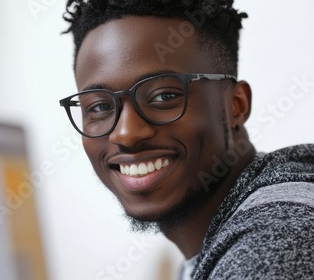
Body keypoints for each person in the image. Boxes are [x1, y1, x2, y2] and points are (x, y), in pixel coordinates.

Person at [58, 1, 314, 279]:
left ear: (235, 105)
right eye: (99, 107)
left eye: (164, 96)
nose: (127, 134)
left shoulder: (270, 251)